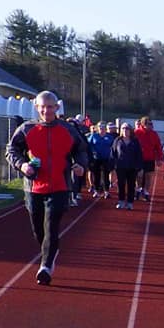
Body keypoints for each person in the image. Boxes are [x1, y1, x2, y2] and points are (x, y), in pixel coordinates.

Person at [6, 90, 89, 285]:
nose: (46, 110)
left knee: (51, 225)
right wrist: (22, 164)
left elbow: (82, 150)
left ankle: (46, 266)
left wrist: (80, 165)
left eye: (50, 107)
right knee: (38, 229)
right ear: (37, 108)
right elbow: (11, 150)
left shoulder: (68, 129)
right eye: (42, 107)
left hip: (60, 185)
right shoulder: (27, 129)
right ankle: (51, 250)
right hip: (33, 186)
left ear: (57, 108)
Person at [111, 123, 144, 210]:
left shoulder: (135, 141)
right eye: (123, 128)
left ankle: (130, 202)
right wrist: (112, 165)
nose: (125, 130)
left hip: (132, 167)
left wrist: (139, 167)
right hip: (120, 166)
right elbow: (113, 153)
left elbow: (139, 154)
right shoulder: (117, 140)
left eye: (127, 129)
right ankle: (121, 201)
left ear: (130, 130)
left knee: (131, 185)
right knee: (121, 184)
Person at [134, 116, 162, 201]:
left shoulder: (154, 134)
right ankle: (138, 190)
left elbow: (158, 147)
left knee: (148, 176)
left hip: (150, 158)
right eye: (149, 124)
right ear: (143, 124)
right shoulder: (136, 132)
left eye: (151, 124)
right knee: (139, 175)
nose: (151, 125)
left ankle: (146, 192)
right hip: (139, 159)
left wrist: (159, 158)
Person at [88, 122, 114, 199]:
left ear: (106, 128)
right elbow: (89, 145)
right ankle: (96, 190)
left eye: (103, 127)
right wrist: (93, 152)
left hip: (106, 159)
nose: (101, 128)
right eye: (100, 127)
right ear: (97, 128)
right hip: (96, 159)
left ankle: (106, 191)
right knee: (96, 175)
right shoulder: (94, 136)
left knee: (105, 175)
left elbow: (113, 147)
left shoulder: (109, 137)